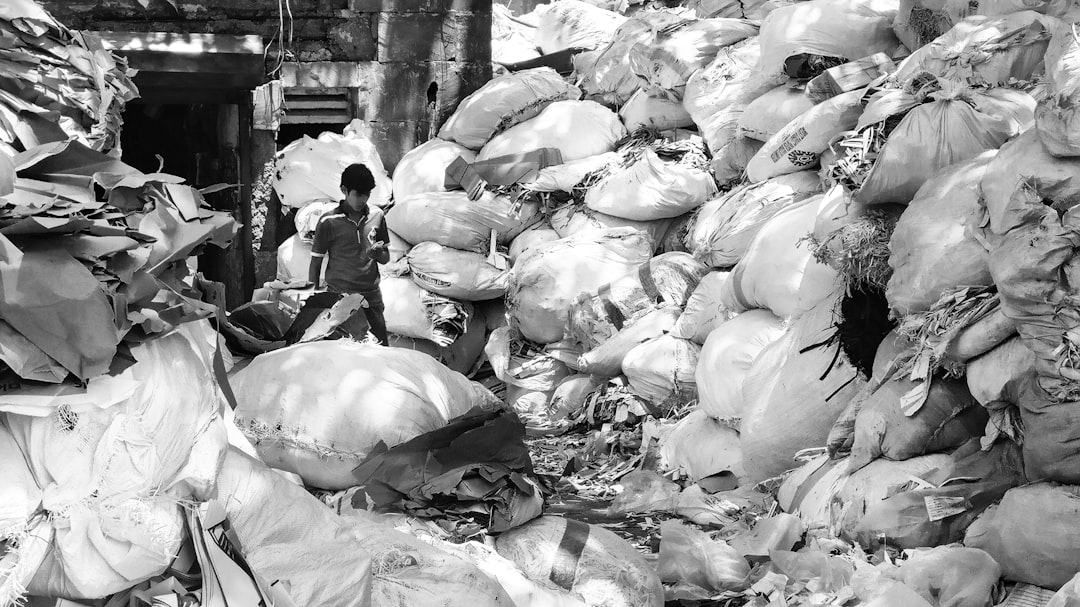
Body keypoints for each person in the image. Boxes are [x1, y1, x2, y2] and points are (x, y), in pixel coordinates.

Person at [299, 163, 390, 345]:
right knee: (343, 353)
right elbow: (315, 264)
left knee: (381, 351)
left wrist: (378, 254)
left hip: (371, 295)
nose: (363, 199)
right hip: (340, 297)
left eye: (367, 194)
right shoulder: (328, 222)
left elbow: (386, 258)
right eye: (358, 194)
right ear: (344, 190)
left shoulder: (377, 216)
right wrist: (314, 299)